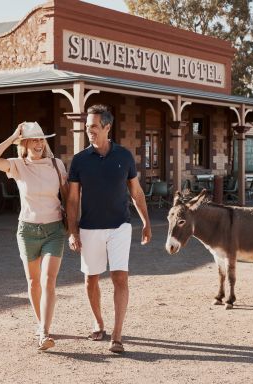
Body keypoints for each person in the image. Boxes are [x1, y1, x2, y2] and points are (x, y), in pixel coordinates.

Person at [67, 104, 152, 354]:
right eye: (87, 127)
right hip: (90, 227)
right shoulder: (80, 160)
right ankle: (98, 321)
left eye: (93, 126)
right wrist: (73, 231)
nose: (89, 131)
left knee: (120, 277)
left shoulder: (124, 156)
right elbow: (72, 200)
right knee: (90, 279)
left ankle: (117, 333)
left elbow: (135, 192)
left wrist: (146, 221)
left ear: (107, 127)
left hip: (120, 226)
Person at [0, 121, 67, 351]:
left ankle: (44, 332)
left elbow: (69, 193)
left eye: (42, 139)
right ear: (25, 143)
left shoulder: (56, 164)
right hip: (28, 231)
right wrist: (12, 137)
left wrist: (73, 219)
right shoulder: (17, 165)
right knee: (33, 282)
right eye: (34, 139)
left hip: (54, 230)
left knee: (48, 280)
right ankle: (41, 322)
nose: (39, 143)